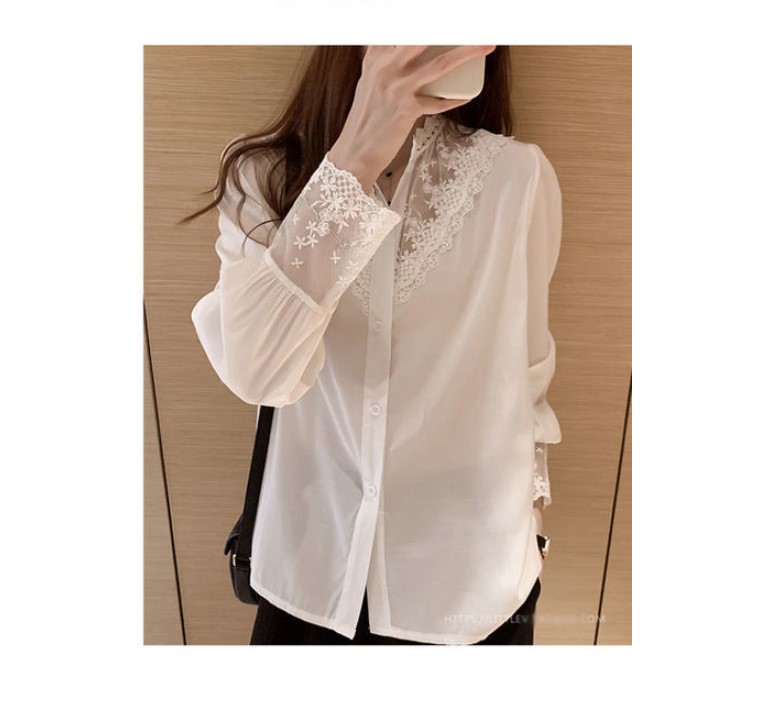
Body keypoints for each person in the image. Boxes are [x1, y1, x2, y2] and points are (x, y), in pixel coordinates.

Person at [185, 45, 562, 645]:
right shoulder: (264, 177)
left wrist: (534, 520)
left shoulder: (519, 177)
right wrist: (357, 154)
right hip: (309, 570)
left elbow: (528, 370)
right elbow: (259, 374)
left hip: (470, 583)